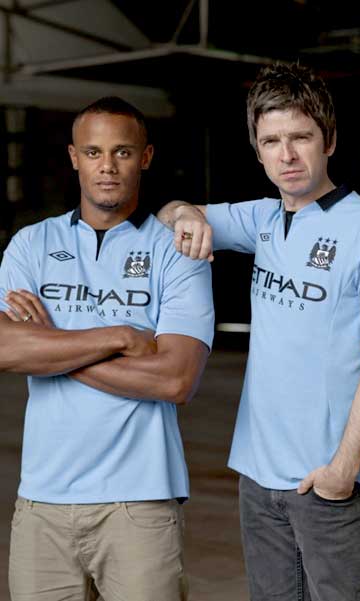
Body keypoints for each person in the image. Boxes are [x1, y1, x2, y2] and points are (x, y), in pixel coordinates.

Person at [157, 63, 360, 601]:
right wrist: (185, 216)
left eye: (300, 138)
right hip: (257, 478)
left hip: (329, 483)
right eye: (271, 141)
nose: (286, 155)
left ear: (328, 141)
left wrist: (342, 471)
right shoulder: (263, 220)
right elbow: (171, 212)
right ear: (258, 150)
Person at [0, 96, 214, 601]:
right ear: (74, 157)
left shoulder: (176, 251)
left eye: (122, 152)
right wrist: (118, 337)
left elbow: (175, 379)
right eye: (94, 152)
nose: (108, 166)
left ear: (146, 157)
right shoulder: (31, 244)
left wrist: (50, 348)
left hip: (140, 504)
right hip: (42, 503)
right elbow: (5, 348)